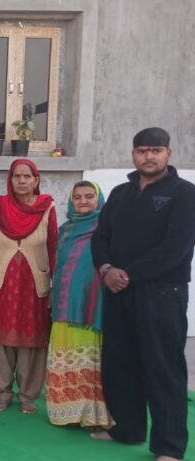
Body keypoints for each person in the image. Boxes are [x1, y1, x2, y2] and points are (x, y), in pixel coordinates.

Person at [91, 127, 195, 461]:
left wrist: (129, 274)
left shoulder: (184, 193)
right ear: (133, 154)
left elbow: (176, 248)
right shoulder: (120, 193)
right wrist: (107, 270)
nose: (148, 156)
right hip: (118, 291)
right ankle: (127, 429)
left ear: (168, 153)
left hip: (162, 293)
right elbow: (100, 238)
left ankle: (169, 447)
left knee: (163, 368)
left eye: (155, 150)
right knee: (119, 363)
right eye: (142, 151)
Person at [0, 158, 57, 414]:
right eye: (16, 176)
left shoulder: (47, 207)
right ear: (10, 180)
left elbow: (53, 246)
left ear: (36, 180)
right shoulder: (0, 205)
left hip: (33, 285)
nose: (21, 181)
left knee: (32, 338)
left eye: (27, 176)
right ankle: (2, 392)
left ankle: (28, 395)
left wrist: (56, 286)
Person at [45, 181, 112, 428]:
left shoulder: (107, 228)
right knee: (66, 354)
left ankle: (94, 414)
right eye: (78, 197)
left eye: (89, 196)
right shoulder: (65, 230)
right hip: (65, 305)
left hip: (94, 307)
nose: (83, 201)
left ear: (99, 199)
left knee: (94, 359)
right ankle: (67, 411)